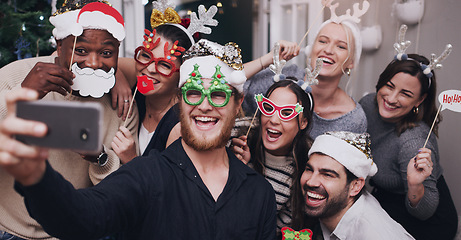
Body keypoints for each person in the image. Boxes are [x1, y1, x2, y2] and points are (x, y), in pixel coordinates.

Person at [0, 39, 277, 240]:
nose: (204, 105)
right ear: (180, 101)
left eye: (218, 95)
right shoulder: (146, 175)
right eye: (193, 93)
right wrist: (37, 176)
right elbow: (82, 217)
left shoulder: (258, 193)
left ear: (238, 101)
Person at [0, 1, 138, 239]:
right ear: (59, 45)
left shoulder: (122, 105)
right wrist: (21, 96)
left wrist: (100, 157)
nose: (94, 64)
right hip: (8, 229)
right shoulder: (15, 76)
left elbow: (118, 195)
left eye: (106, 53)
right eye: (81, 50)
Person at [359, 51, 458, 239]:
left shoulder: (414, 141)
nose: (391, 98)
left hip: (426, 220)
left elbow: (424, 212)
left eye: (405, 93)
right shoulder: (367, 105)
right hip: (384, 198)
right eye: (389, 86)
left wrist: (414, 185)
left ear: (420, 100)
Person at [243, 0, 369, 139]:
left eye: (341, 46)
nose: (328, 50)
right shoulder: (283, 78)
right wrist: (268, 58)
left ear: (351, 62)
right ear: (311, 49)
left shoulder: (354, 120)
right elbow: (225, 81)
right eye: (322, 41)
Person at [231, 78, 315, 236]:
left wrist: (244, 174)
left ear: (303, 122)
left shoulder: (304, 170)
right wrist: (228, 162)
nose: (274, 120)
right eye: (268, 108)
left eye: (287, 113)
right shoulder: (237, 132)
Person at [300, 131, 415, 240]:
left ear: (355, 186)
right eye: (309, 169)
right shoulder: (333, 207)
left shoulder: (373, 235)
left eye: (327, 175)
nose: (311, 182)